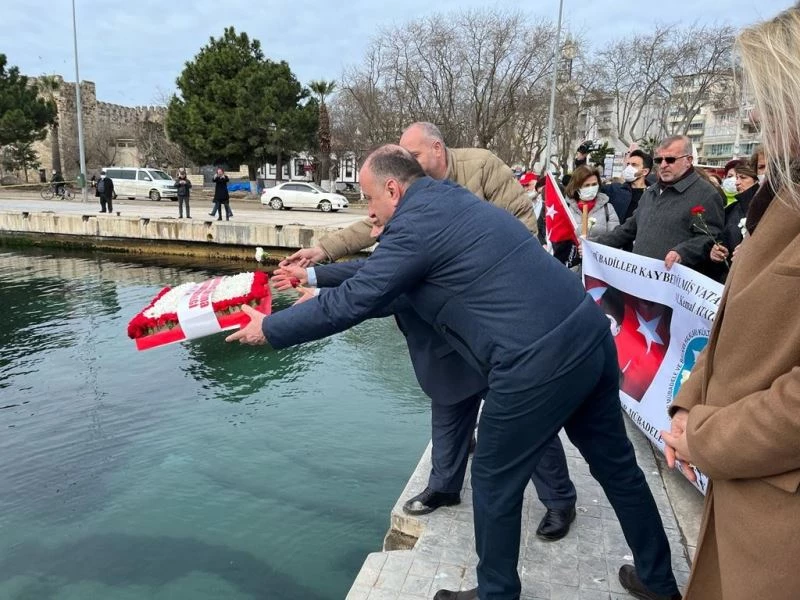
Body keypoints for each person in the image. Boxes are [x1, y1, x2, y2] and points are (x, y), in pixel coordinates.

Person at [231, 145, 681, 600]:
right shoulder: (454, 201)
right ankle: (660, 582)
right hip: (588, 333)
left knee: (492, 479)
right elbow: (385, 276)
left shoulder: (413, 226)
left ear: (393, 188)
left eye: (369, 199)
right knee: (618, 467)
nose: (367, 211)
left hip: (534, 362)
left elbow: (361, 298)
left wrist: (269, 328)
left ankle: (497, 594)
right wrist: (314, 279)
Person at [277, 122, 576, 540]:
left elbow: (518, 229)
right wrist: (319, 263)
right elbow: (373, 249)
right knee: (448, 406)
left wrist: (320, 299)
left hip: (486, 323)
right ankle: (444, 487)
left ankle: (560, 500)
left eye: (413, 157)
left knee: (528, 423)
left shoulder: (479, 171)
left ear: (437, 150)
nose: (405, 168)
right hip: (439, 331)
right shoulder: (404, 197)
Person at [661, 5, 800, 599]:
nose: (753, 116)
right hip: (745, 492)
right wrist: (687, 406)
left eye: (769, 99)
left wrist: (708, 438)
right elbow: (735, 323)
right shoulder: (783, 194)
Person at [593, 135, 724, 277]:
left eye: (670, 160)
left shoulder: (706, 194)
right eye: (658, 160)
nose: (663, 165)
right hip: (638, 280)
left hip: (673, 285)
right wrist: (594, 244)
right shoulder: (651, 191)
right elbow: (628, 229)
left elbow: (709, 237)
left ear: (688, 160)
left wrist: (682, 252)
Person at [709, 160, 759, 274]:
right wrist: (718, 250)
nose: (737, 182)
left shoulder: (766, 208)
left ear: (757, 180)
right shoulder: (732, 209)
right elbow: (723, 238)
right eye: (736, 178)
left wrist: (750, 251)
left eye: (743, 177)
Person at [562, 165, 620, 240]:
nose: (591, 188)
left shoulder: (608, 209)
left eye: (594, 184)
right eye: (586, 185)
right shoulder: (566, 209)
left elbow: (615, 238)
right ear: (576, 187)